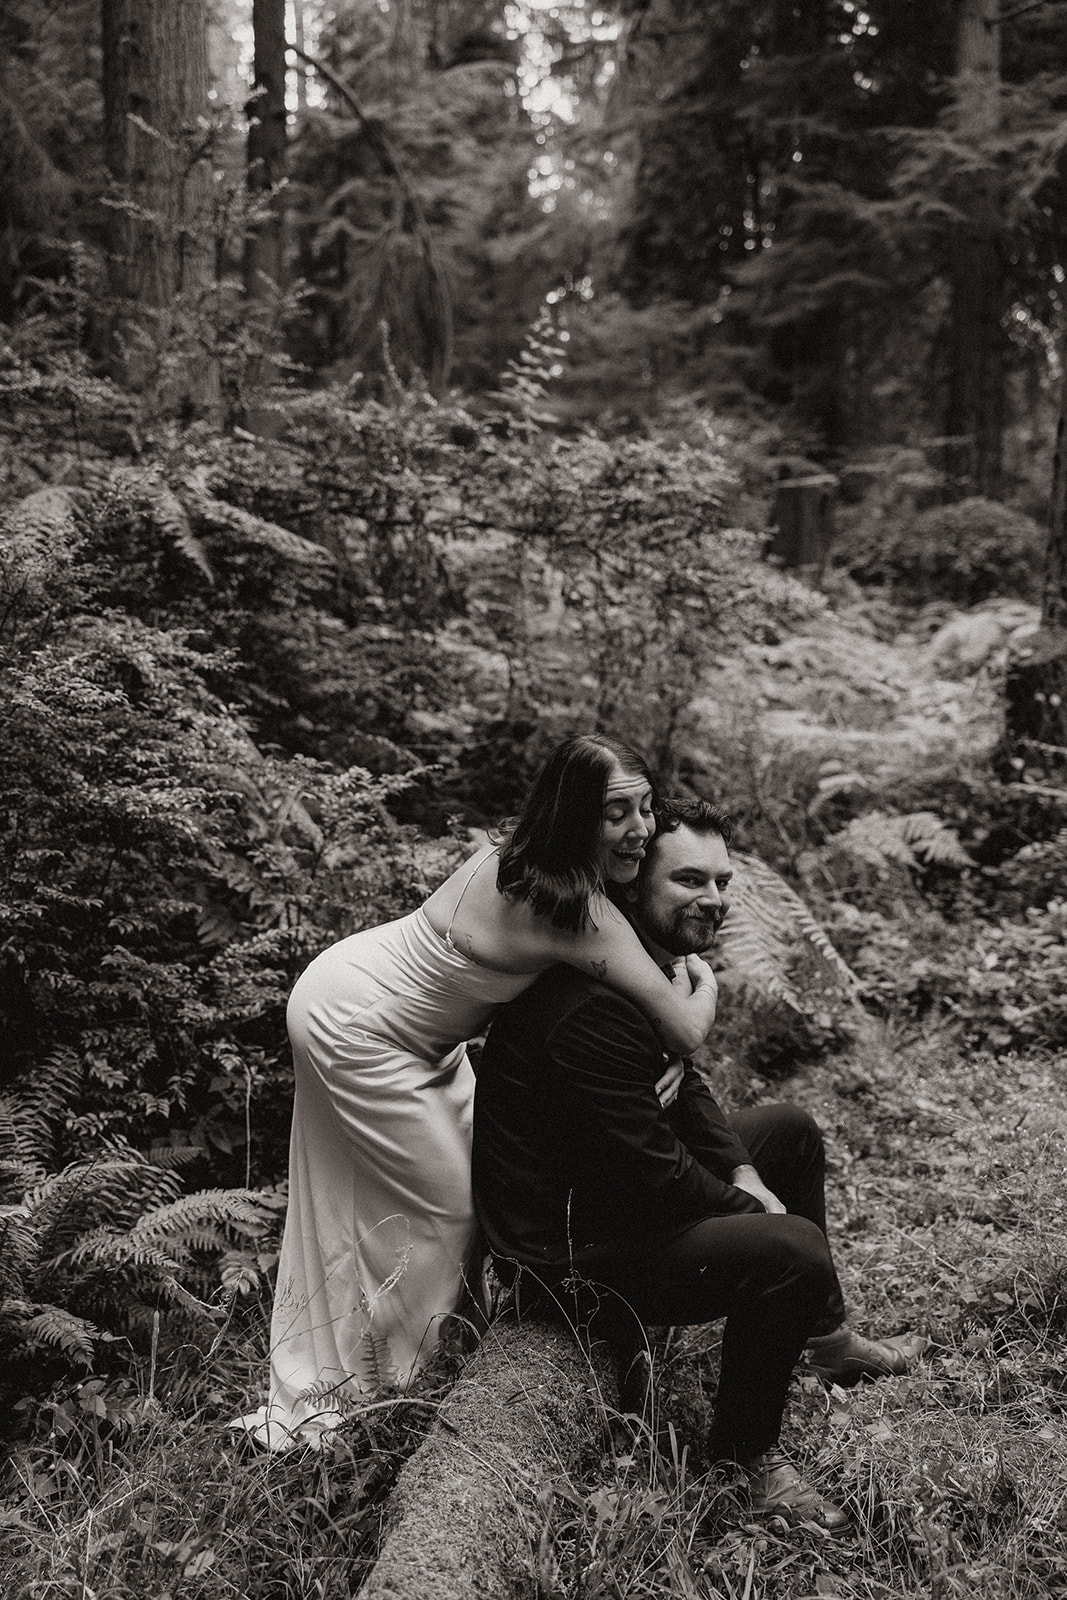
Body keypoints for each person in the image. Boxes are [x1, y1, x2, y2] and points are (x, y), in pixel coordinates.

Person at [236, 735, 719, 1449]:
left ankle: (374, 1365)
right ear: (573, 814)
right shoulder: (576, 910)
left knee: (384, 1196)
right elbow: (681, 1026)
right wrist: (705, 978)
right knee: (451, 1208)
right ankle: (397, 1390)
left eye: (645, 808)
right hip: (360, 1026)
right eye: (616, 812)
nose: (640, 829)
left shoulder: (521, 862)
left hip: (408, 1030)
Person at [472, 797, 914, 1530]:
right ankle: (745, 1460)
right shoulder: (588, 1006)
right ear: (633, 883)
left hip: (615, 1192)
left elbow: (689, 1091)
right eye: (687, 880)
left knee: (790, 1133)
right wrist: (753, 1211)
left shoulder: (648, 966)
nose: (712, 899)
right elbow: (652, 1176)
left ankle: (825, 1340)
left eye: (721, 881)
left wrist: (742, 1173)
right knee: (789, 1250)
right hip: (571, 1251)